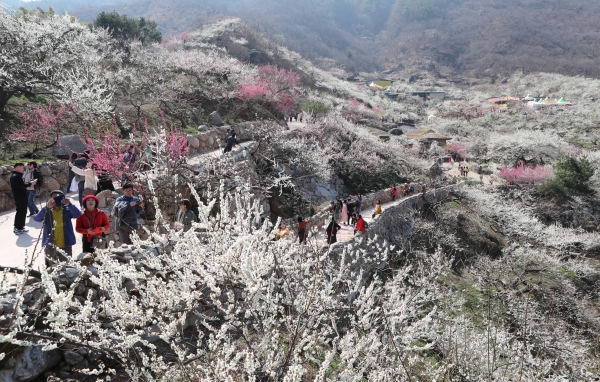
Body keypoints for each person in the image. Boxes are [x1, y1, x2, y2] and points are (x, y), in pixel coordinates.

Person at [33, 190, 82, 266]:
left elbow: (78, 214)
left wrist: (69, 204)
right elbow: (37, 219)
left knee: (67, 267)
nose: (57, 198)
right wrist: (46, 208)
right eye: (55, 197)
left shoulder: (67, 209)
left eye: (60, 197)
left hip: (66, 245)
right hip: (50, 246)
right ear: (50, 198)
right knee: (51, 269)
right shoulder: (47, 210)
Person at [10, 163, 37, 234]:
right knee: (21, 212)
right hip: (20, 197)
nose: (23, 169)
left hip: (20, 196)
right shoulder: (16, 176)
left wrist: (29, 183)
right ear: (18, 167)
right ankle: (18, 228)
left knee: (21, 212)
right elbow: (22, 185)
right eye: (22, 167)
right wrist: (31, 183)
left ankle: (20, 227)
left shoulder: (15, 175)